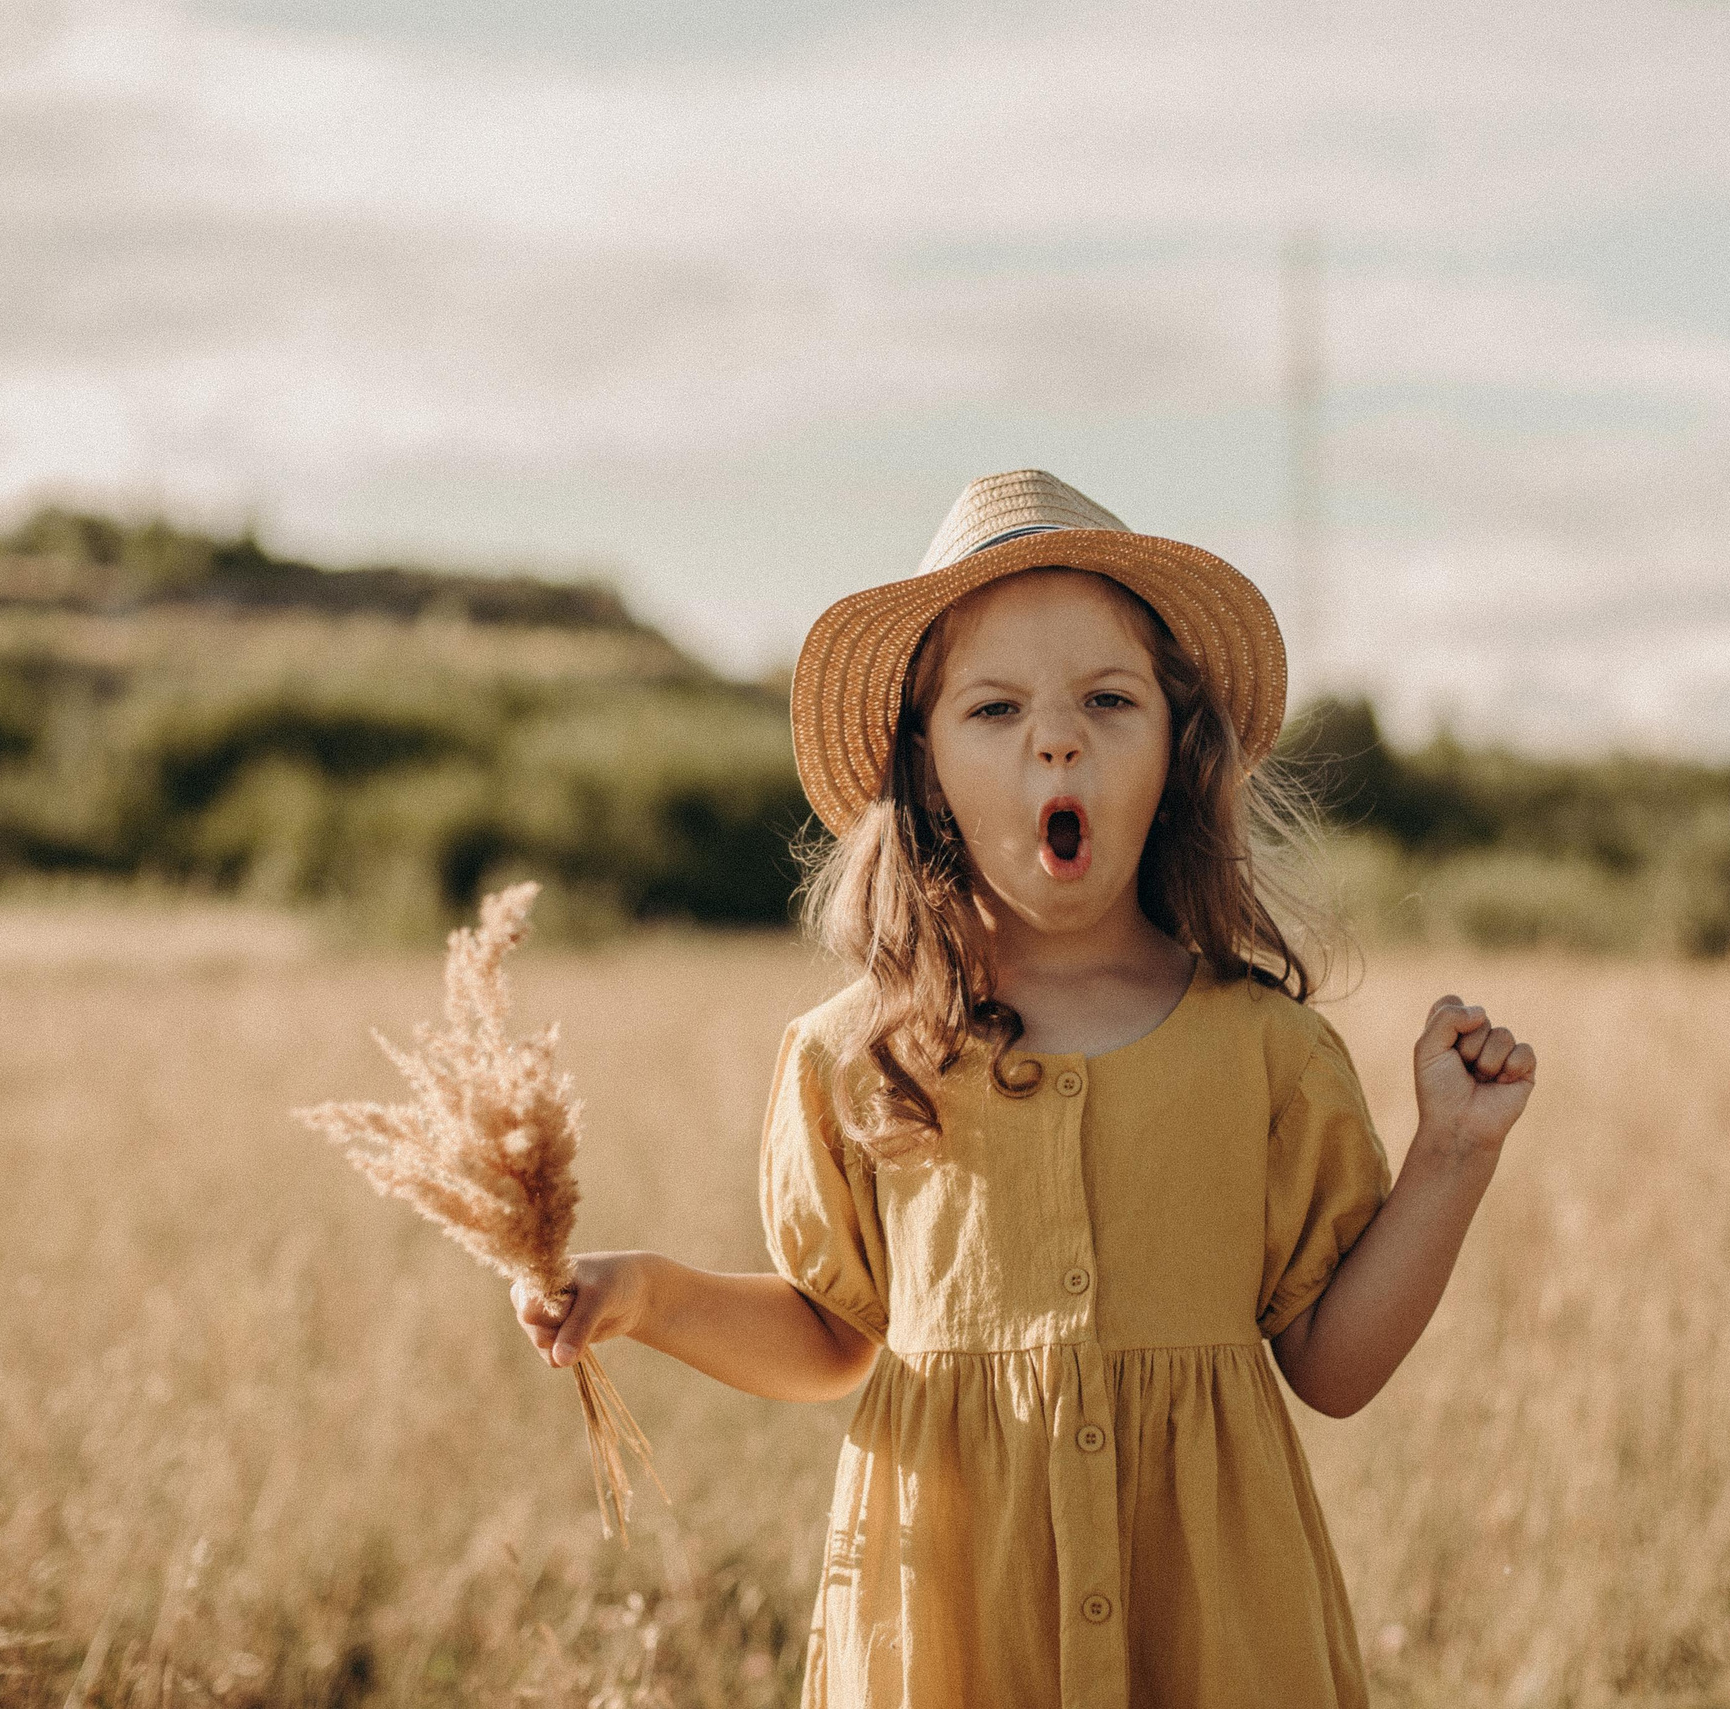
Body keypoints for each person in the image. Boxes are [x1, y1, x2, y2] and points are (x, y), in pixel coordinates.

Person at [514, 469, 1539, 1709]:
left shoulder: (1270, 1051)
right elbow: (832, 1335)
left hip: (1218, 1637)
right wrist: (648, 1295)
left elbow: (1332, 1365)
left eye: (1107, 699)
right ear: (926, 769)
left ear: (1177, 750)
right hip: (952, 1628)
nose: (1056, 739)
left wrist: (1451, 1155)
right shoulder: (855, 1056)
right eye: (994, 707)